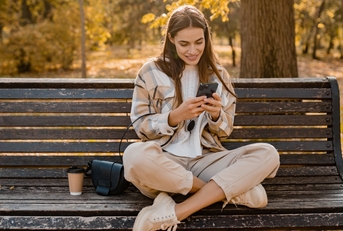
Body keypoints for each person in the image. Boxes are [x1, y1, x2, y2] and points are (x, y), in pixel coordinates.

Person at [123, 5, 280, 231]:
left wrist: (216, 114)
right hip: (165, 163)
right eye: (184, 44)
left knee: (268, 154)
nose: (192, 50)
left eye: (199, 42)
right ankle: (230, 192)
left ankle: (176, 211)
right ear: (171, 39)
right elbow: (140, 126)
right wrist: (174, 117)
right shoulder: (150, 71)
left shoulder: (218, 73)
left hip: (206, 160)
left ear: (206, 37)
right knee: (133, 156)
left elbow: (225, 131)